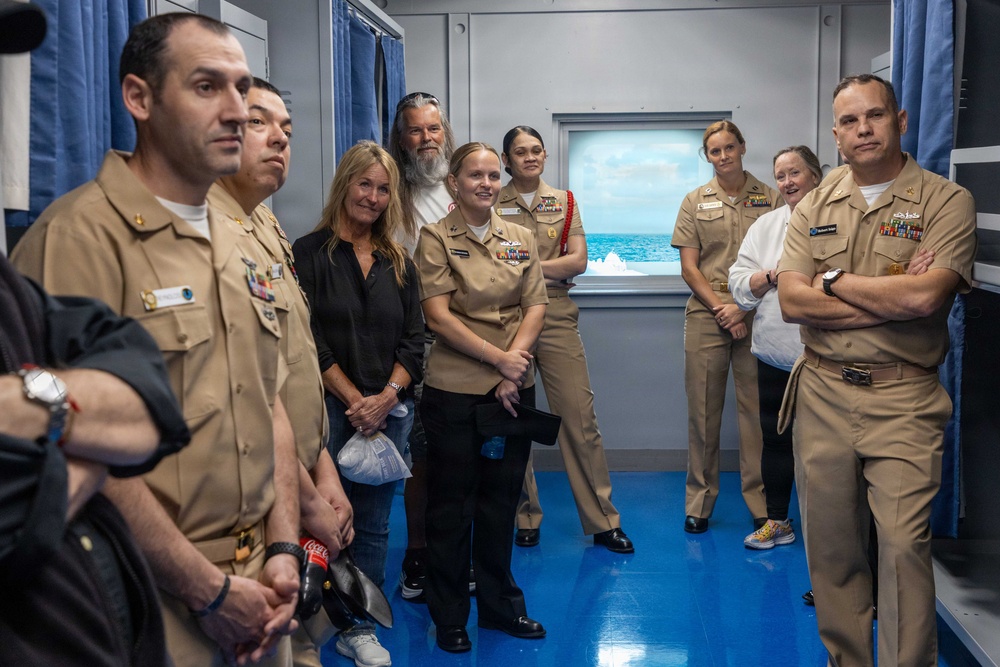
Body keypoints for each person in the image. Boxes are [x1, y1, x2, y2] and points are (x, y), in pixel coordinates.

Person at [11, 13, 303, 666]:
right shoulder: (79, 240)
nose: (237, 110)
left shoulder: (240, 240)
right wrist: (209, 592)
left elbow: (270, 401)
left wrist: (283, 548)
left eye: (242, 87)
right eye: (207, 87)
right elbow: (73, 446)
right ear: (139, 98)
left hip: (261, 588)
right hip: (153, 591)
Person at [777, 73, 977, 666]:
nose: (863, 130)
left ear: (901, 120)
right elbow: (792, 303)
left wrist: (834, 281)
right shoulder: (813, 204)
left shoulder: (944, 201)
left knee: (902, 547)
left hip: (904, 399)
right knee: (833, 552)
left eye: (875, 116)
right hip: (822, 395)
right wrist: (890, 295)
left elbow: (925, 302)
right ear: (835, 135)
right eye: (848, 121)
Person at [207, 77, 356, 667]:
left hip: (299, 472)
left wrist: (325, 470)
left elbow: (293, 361)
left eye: (288, 131)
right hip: (259, 496)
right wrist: (309, 500)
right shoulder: (208, 236)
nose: (279, 141)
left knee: (302, 645)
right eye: (260, 123)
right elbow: (248, 394)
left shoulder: (264, 226)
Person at [292, 140, 423, 667]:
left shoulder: (399, 262)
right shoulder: (307, 253)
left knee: (372, 523)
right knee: (323, 520)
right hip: (329, 411)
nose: (372, 196)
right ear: (345, 184)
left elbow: (415, 341)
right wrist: (353, 400)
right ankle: (312, 622)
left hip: (389, 414)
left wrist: (386, 397)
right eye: (364, 184)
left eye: (383, 188)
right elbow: (308, 339)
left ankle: (358, 626)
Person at [414, 142, 548, 653]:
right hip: (455, 393)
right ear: (454, 182)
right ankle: (449, 615)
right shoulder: (434, 239)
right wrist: (499, 360)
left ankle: (499, 609)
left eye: (494, 175)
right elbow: (439, 317)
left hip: (511, 391)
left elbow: (535, 304)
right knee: (451, 508)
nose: (487, 183)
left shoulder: (519, 236)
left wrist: (513, 366)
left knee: (501, 502)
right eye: (475, 175)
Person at [494, 125, 632, 553]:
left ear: (544, 156)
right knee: (512, 417)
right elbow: (490, 264)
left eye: (536, 150)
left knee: (579, 418)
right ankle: (524, 514)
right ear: (507, 160)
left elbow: (579, 261)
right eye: (520, 152)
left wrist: (522, 262)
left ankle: (603, 520)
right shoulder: (490, 201)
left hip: (554, 314)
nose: (530, 157)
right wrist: (547, 264)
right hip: (504, 315)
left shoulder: (566, 202)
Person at [671, 120, 778, 534]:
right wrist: (722, 309)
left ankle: (760, 504)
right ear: (708, 156)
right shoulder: (695, 201)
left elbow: (779, 259)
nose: (723, 156)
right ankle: (699, 502)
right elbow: (688, 267)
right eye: (714, 151)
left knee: (756, 416)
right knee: (703, 413)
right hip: (707, 311)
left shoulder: (769, 199)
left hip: (758, 313)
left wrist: (742, 307)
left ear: (742, 147)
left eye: (729, 147)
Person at [728, 146, 822, 549]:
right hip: (774, 354)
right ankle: (778, 521)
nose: (787, 182)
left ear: (815, 175)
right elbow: (738, 282)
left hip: (824, 356)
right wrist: (772, 275)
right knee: (776, 440)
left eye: (795, 173)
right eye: (780, 175)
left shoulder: (839, 219)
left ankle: (828, 536)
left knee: (824, 450)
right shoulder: (765, 226)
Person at [386, 91, 461, 601]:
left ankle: (456, 554)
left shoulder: (466, 183)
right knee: (419, 458)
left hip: (465, 339)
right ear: (402, 137)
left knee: (462, 457)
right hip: (412, 340)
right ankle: (416, 551)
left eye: (433, 128)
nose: (426, 139)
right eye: (415, 130)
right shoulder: (388, 188)